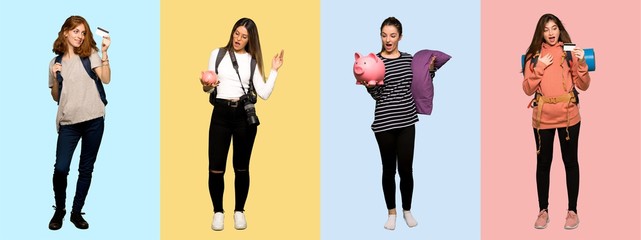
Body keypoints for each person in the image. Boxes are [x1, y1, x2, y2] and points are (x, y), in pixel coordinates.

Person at [200, 17, 284, 231]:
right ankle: (218, 212)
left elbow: (263, 93)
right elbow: (209, 88)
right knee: (215, 168)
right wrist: (206, 84)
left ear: (250, 40)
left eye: (244, 36)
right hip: (220, 114)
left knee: (241, 168)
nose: (238, 38)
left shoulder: (251, 61)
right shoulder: (217, 54)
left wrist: (274, 70)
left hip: (242, 117)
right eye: (237, 33)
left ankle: (239, 211)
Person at [360, 17, 433, 230]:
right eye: (384, 35)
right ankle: (391, 213)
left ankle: (407, 211)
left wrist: (429, 71)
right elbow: (377, 95)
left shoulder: (409, 59)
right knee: (388, 169)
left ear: (400, 36)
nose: (388, 39)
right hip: (384, 123)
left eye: (392, 35)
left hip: (407, 120)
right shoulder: (374, 62)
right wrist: (369, 84)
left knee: (407, 169)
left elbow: (420, 83)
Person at [522, 13, 590, 230]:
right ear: (540, 32)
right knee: (543, 165)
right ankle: (543, 211)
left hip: (569, 116)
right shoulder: (533, 55)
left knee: (571, 163)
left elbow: (585, 85)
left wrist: (580, 63)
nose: (551, 33)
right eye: (546, 29)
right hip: (542, 118)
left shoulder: (570, 51)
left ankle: (573, 211)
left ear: (560, 29)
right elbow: (527, 89)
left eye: (554, 28)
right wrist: (539, 66)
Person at [47, 15, 111, 230]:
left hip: (94, 119)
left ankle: (76, 212)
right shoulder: (54, 63)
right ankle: (60, 210)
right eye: (76, 31)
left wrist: (104, 53)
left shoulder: (90, 55)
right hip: (68, 123)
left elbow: (106, 79)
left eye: (83, 33)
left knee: (86, 169)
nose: (80, 36)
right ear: (65, 32)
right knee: (61, 168)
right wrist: (56, 78)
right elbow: (56, 97)